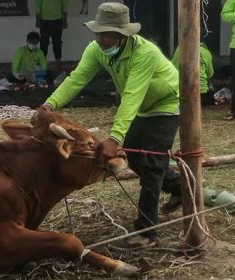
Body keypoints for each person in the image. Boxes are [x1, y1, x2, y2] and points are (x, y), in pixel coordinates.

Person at [41, 3, 182, 247]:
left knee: (151, 165)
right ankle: (180, 187)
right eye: (98, 33)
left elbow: (132, 95)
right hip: (140, 107)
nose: (102, 39)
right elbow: (77, 79)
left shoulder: (144, 53)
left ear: (123, 34)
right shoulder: (96, 49)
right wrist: (49, 105)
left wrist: (114, 138)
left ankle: (147, 232)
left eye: (107, 34)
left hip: (164, 103)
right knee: (136, 160)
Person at [172, 40, 214, 107]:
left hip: (184, 90)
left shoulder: (179, 50)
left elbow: (174, 68)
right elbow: (210, 74)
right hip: (202, 92)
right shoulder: (206, 52)